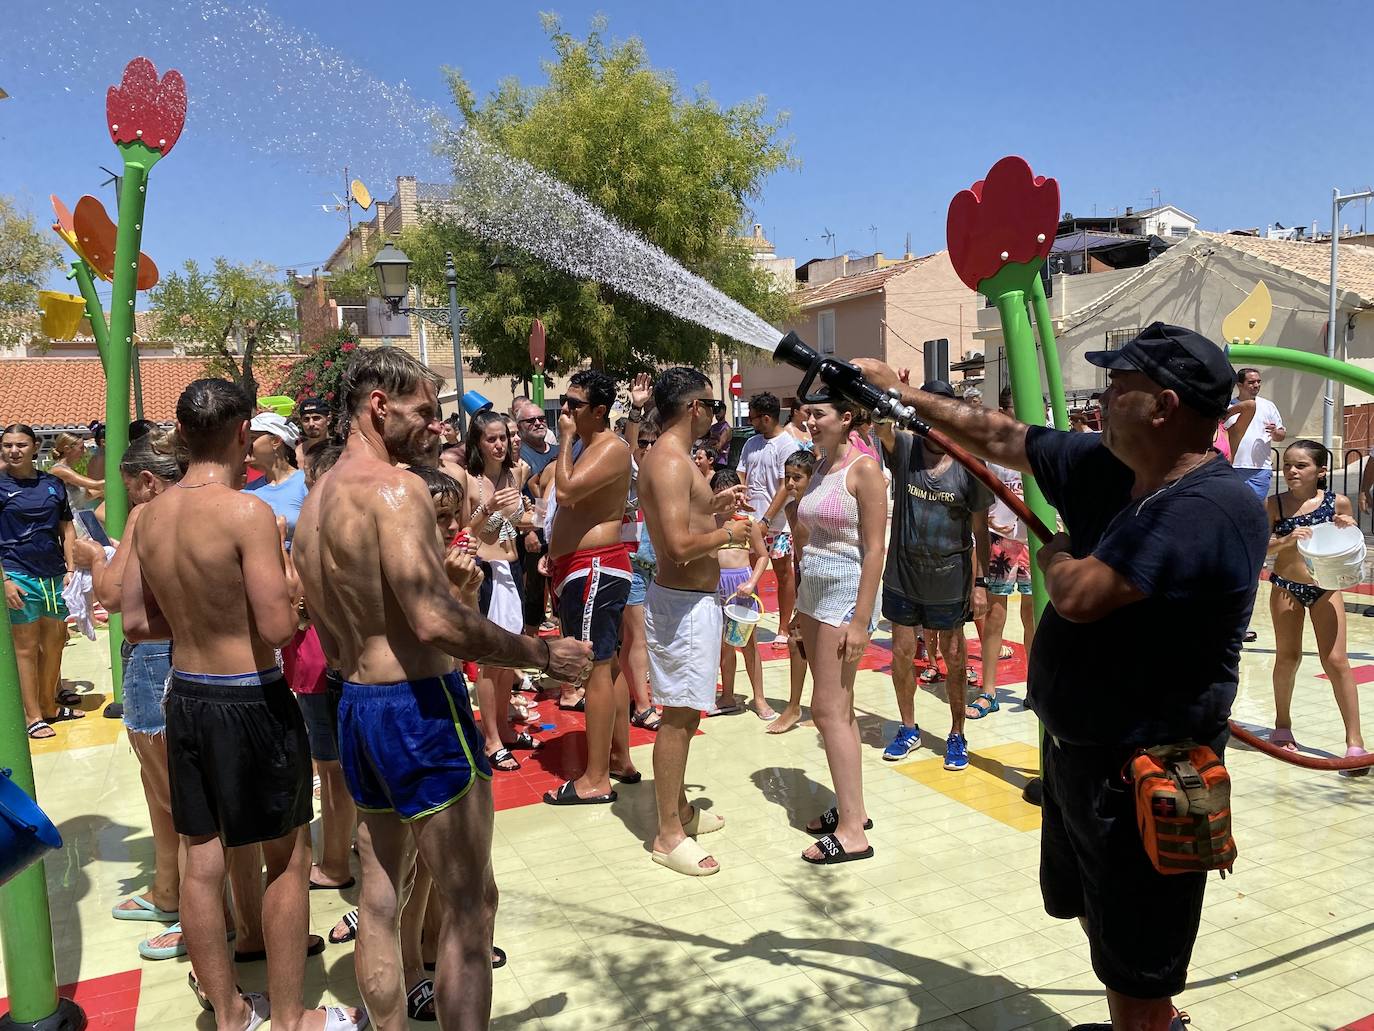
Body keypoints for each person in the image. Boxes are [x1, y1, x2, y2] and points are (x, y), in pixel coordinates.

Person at [857, 322, 1268, 1030]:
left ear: (1164, 406)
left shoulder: (1211, 507)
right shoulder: (1115, 468)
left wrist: (1055, 558)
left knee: (1139, 953)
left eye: (1119, 385)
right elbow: (1006, 436)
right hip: (1083, 757)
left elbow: (1079, 594)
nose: (1101, 399)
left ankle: (1150, 1021)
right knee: (1105, 928)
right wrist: (902, 395)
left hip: (1149, 771)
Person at [292, 345, 590, 1030]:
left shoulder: (315, 505)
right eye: (422, 411)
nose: (433, 425)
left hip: (357, 705)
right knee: (470, 905)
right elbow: (432, 619)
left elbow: (322, 628)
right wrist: (541, 653)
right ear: (378, 405)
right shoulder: (394, 490)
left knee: (378, 898)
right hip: (418, 708)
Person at [121, 380, 363, 1031]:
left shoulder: (151, 515)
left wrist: (199, 617)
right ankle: (290, 1017)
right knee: (287, 857)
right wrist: (294, 581)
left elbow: (137, 622)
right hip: (250, 696)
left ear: (182, 433)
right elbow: (280, 628)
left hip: (186, 694)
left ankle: (230, 1013)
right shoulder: (248, 513)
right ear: (240, 435)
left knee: (202, 860)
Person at [639, 368, 750, 876]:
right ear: (694, 407)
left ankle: (680, 810)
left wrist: (717, 507)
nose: (716, 415)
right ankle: (668, 835)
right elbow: (678, 547)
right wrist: (729, 536)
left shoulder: (679, 458)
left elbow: (689, 519)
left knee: (687, 714)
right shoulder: (667, 459)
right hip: (682, 607)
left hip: (693, 603)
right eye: (714, 405)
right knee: (678, 718)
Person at [76, 433, 184, 947]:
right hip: (193, 653)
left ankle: (197, 907)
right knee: (163, 786)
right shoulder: (218, 507)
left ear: (147, 481)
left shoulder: (149, 514)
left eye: (128, 490)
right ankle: (169, 889)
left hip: (155, 656)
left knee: (172, 791)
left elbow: (114, 594)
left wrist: (94, 558)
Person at [874, 381, 991, 771]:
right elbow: (883, 428)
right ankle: (908, 728)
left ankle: (957, 733)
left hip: (950, 580)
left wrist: (980, 584)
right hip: (903, 576)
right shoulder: (907, 449)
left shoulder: (970, 463)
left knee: (954, 658)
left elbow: (980, 531)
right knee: (902, 654)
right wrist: (889, 399)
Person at [791, 394, 886, 864]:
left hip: (843, 597)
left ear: (846, 418)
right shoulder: (821, 466)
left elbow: (875, 549)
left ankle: (852, 833)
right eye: (807, 414)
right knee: (838, 711)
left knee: (828, 710)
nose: (809, 421)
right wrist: (797, 606)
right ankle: (853, 810)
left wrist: (861, 620)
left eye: (819, 414)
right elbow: (809, 538)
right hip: (813, 594)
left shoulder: (864, 470)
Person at [543, 370, 637, 805]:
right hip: (583, 568)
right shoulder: (590, 446)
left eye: (574, 404)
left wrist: (564, 438)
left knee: (595, 668)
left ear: (599, 411)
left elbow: (565, 493)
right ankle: (618, 758)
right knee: (607, 666)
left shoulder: (610, 448)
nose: (565, 410)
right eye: (564, 401)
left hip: (595, 566)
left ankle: (596, 779)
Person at [1265, 440, 1367, 772]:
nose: (1291, 471)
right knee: (1288, 656)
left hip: (1325, 587)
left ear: (1321, 471)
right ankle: (1282, 725)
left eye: (1301, 465)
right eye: (1287, 465)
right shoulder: (1275, 505)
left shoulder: (1337, 502)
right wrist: (1285, 540)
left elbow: (1349, 545)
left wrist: (1348, 526)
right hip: (1286, 588)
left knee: (1336, 661)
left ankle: (1354, 741)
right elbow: (1262, 547)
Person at [463, 410, 539, 772]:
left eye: (503, 438)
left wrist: (534, 518)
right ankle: (491, 738)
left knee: (509, 657)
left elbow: (517, 520)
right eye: (491, 439)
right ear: (477, 443)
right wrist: (488, 508)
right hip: (486, 572)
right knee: (490, 662)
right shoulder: (468, 479)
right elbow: (464, 530)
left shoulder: (516, 473)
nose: (499, 445)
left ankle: (505, 728)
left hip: (512, 569)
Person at [2, 423, 84, 739]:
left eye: (21, 445)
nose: (14, 451)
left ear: (35, 447)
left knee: (55, 642)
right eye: (8, 445)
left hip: (54, 574)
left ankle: (49, 706)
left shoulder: (52, 483)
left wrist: (71, 569)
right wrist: (4, 580)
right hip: (17, 574)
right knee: (25, 648)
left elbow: (67, 528)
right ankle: (32, 716)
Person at [975, 387, 1036, 718]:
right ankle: (988, 691)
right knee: (995, 616)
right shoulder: (993, 448)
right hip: (1001, 539)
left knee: (1033, 617)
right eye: (1017, 407)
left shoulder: (1042, 444)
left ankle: (1034, 688)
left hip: (1034, 540)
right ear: (1004, 410)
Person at [738, 392, 802, 653]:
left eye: (753, 417)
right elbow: (742, 473)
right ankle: (747, 621)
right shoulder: (750, 443)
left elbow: (786, 487)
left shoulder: (787, 445)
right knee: (749, 573)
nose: (750, 422)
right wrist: (741, 498)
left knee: (783, 573)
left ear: (766, 418)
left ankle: (783, 628)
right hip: (750, 521)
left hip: (777, 524)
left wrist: (766, 519)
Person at [759, 450, 816, 735]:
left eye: (797, 478)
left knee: (823, 648)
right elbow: (798, 557)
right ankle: (796, 706)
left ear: (812, 478)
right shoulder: (792, 510)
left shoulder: (817, 508)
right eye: (787, 478)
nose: (790, 484)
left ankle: (820, 706)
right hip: (808, 582)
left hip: (827, 582)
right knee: (798, 641)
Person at [710, 469, 771, 720]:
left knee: (749, 644)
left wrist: (751, 582)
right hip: (716, 587)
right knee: (724, 645)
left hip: (741, 588)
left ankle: (759, 698)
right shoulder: (709, 523)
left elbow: (763, 556)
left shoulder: (747, 523)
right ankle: (727, 695)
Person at [622, 395, 662, 733]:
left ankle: (635, 696)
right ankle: (642, 705)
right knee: (638, 638)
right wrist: (636, 411)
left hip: (656, 564)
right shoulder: (630, 472)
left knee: (639, 637)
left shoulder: (662, 473)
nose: (647, 447)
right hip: (631, 561)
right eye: (643, 442)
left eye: (653, 442)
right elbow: (629, 446)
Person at [514, 398, 556, 634]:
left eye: (542, 418)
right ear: (520, 426)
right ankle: (529, 642)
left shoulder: (559, 451)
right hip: (532, 535)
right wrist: (530, 532)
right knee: (534, 593)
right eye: (531, 420)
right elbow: (519, 494)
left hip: (558, 536)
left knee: (558, 591)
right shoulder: (519, 455)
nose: (539, 423)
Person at [246, 413, 309, 545]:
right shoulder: (246, 491)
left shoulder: (306, 484)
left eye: (252, 438)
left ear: (276, 441)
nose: (247, 444)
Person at [1226, 367, 1285, 500]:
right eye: (1251, 382)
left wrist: (1275, 432)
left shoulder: (1268, 406)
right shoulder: (1228, 407)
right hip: (1232, 467)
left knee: (1256, 507)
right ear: (1239, 385)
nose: (1256, 385)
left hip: (1260, 470)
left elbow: (1281, 435)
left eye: (1259, 381)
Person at [47, 431, 105, 510]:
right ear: (67, 449)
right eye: (81, 448)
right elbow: (96, 485)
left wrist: (105, 491)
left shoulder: (70, 470)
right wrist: (117, 480)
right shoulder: (60, 471)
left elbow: (87, 495)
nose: (84, 451)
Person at [295, 397, 333, 467]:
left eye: (316, 418)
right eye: (306, 419)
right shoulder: (297, 453)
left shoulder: (339, 449)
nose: (311, 424)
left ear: (328, 420)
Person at [707, 400, 732, 468]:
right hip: (711, 461)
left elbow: (718, 447)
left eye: (718, 411)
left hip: (721, 463)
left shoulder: (726, 428)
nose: (717, 414)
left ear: (724, 411)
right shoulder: (713, 427)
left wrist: (711, 442)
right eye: (715, 411)